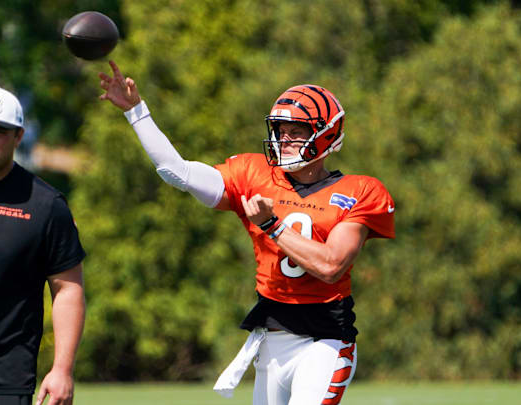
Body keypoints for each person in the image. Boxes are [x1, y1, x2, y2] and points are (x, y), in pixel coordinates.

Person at [98, 60, 395, 405]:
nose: (284, 139)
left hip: (324, 341)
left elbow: (331, 267)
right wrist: (137, 112)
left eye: (296, 131)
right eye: (280, 129)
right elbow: (177, 172)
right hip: (271, 342)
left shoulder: (360, 190)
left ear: (326, 134)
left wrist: (273, 225)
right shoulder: (254, 173)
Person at [0, 87, 86, 405]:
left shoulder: (44, 205)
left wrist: (62, 369)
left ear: (18, 136)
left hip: (0, 385)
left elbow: (68, 289)